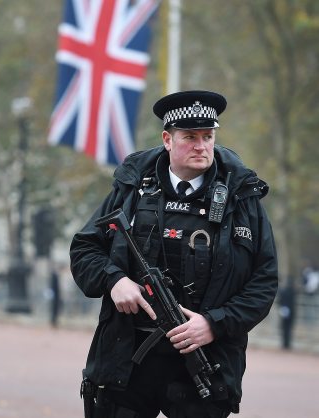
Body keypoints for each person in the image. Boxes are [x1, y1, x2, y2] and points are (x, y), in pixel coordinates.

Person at [70, 91, 278, 418]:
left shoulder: (241, 198)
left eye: (208, 136)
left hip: (205, 364)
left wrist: (213, 324)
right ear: (168, 139)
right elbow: (84, 249)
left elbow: (264, 282)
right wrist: (114, 280)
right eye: (190, 137)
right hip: (129, 360)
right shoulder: (133, 188)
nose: (201, 146)